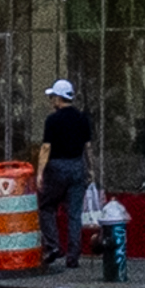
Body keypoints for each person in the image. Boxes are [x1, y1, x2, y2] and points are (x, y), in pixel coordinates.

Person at [35, 76, 96, 269]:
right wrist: (91, 169)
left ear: (59, 98)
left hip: (57, 167)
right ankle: (73, 256)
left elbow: (46, 148)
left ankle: (53, 246)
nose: (51, 100)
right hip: (77, 166)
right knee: (74, 214)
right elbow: (88, 147)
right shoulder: (82, 119)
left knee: (47, 207)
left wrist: (40, 173)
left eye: (53, 97)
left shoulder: (52, 120)